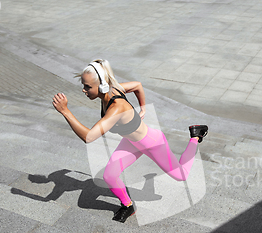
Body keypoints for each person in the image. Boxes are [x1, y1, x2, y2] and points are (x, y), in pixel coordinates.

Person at [52, 59, 208, 223]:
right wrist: (143, 108)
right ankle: (128, 205)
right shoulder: (114, 89)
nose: (84, 90)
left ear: (103, 85)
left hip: (152, 143)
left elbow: (89, 137)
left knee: (181, 175)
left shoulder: (116, 107)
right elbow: (137, 86)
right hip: (131, 142)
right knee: (110, 175)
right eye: (83, 85)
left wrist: (65, 111)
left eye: (88, 87)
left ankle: (196, 136)